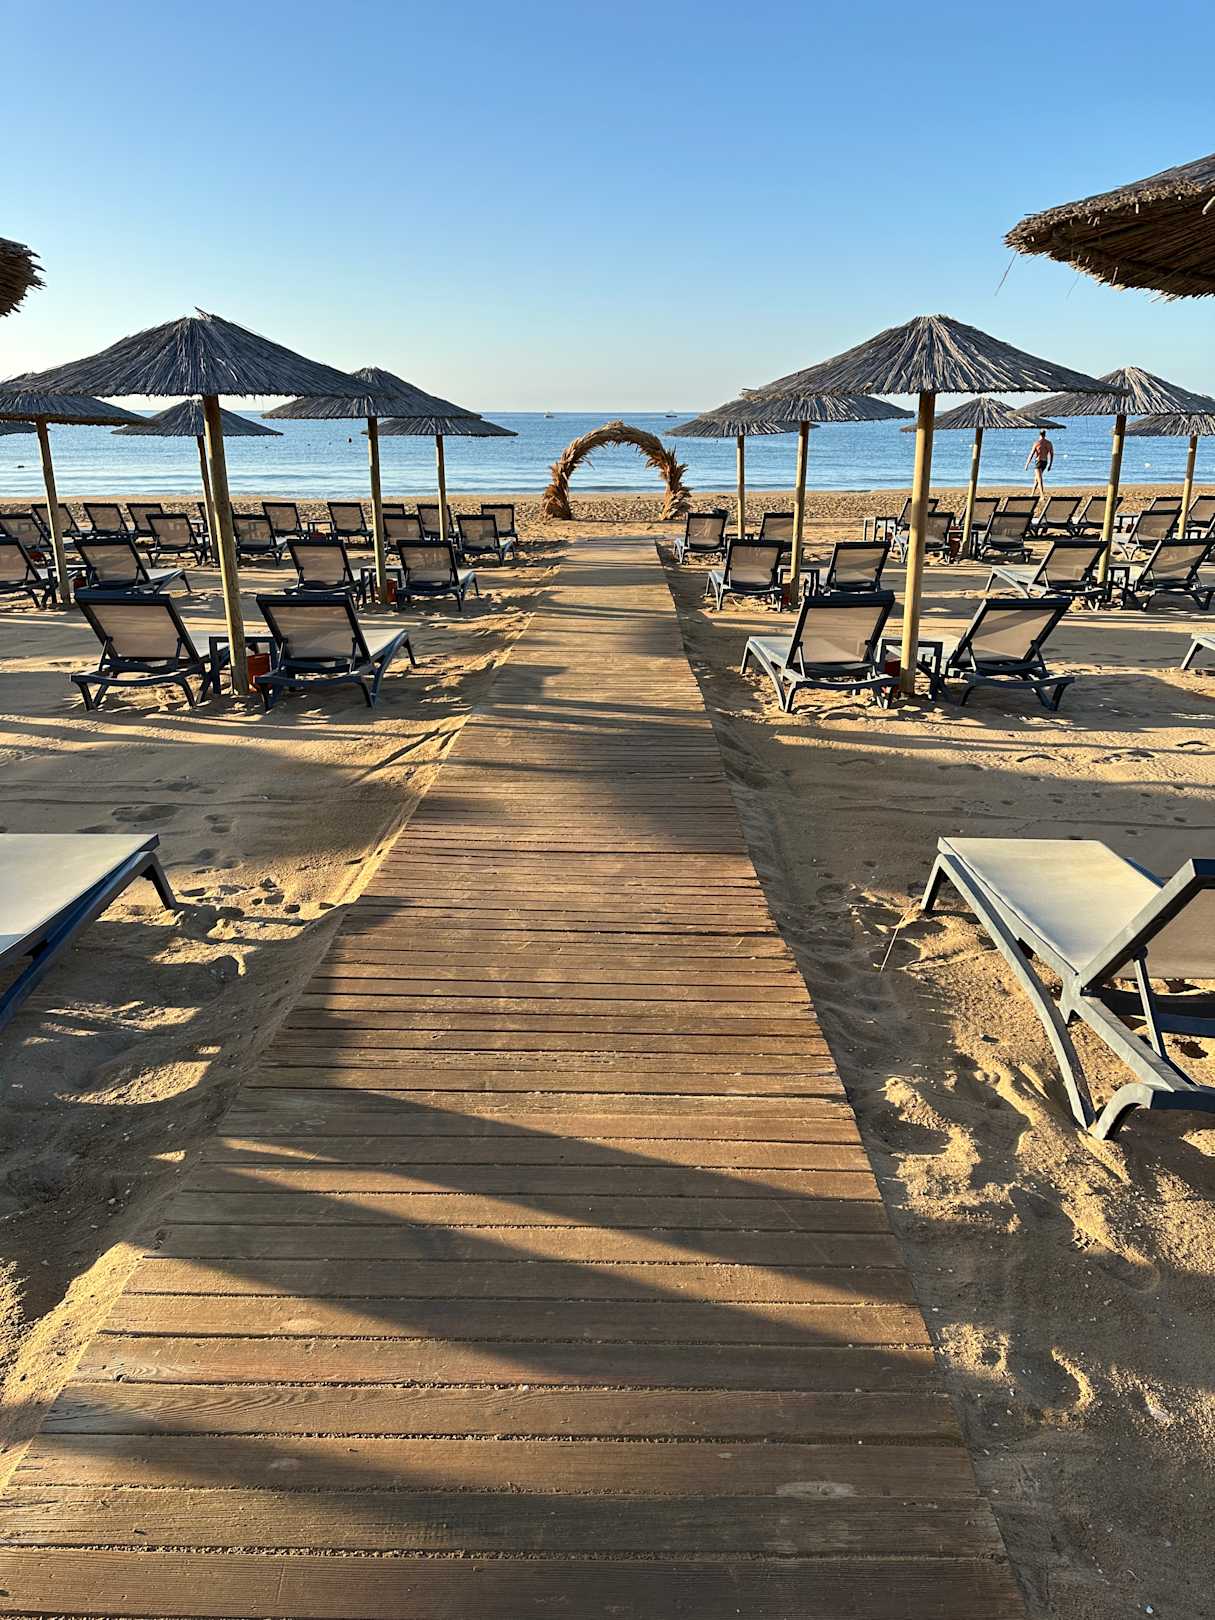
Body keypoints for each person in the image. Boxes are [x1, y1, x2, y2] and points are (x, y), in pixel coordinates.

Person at [1025, 428, 1054, 497]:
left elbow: (1031, 454)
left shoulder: (1037, 443)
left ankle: (1042, 495)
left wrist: (1027, 464)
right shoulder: (1049, 443)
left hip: (1039, 462)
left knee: (1039, 479)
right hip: (1045, 462)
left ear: (1039, 434)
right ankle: (1032, 494)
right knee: (1037, 479)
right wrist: (1050, 465)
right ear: (1045, 434)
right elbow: (1052, 454)